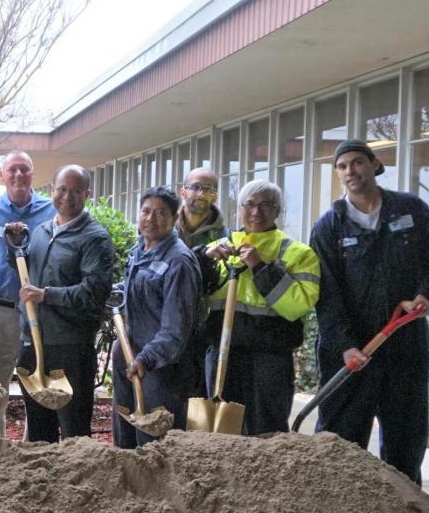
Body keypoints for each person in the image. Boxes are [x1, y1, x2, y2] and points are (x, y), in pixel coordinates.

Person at [309, 139, 429, 484]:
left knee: (405, 436)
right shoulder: (330, 226)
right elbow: (326, 295)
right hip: (351, 353)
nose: (351, 171)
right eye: (343, 166)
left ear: (375, 164)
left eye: (357, 162)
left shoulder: (412, 211)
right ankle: (340, 511)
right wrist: (345, 345)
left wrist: (426, 296)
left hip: (404, 344)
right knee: (340, 440)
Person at [198, 180, 319, 435]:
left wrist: (261, 267)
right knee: (221, 430)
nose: (256, 212)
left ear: (278, 211)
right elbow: (191, 290)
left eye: (266, 205)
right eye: (250, 205)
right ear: (239, 209)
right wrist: (204, 259)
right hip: (223, 352)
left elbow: (298, 306)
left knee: (267, 428)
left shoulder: (298, 253)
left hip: (270, 356)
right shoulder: (219, 247)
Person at [4, 165, 114, 442]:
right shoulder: (40, 232)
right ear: (51, 190)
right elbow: (27, 274)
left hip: (70, 348)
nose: (67, 196)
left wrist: (46, 294)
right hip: (33, 343)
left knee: (75, 431)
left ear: (87, 194)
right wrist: (14, 247)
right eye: (62, 189)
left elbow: (93, 294)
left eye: (76, 191)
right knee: (39, 432)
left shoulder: (95, 239)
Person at [111, 187, 201, 449]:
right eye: (146, 211)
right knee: (125, 435)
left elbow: (175, 329)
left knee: (153, 443)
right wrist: (117, 291)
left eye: (161, 213)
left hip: (162, 368)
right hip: (130, 355)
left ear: (175, 218)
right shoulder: (141, 249)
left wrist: (146, 358)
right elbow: (143, 289)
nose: (151, 218)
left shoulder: (179, 261)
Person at [0, 150, 55, 436]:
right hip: (1, 310)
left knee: (34, 379)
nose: (19, 175)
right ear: (2, 175)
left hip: (38, 311)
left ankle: (31, 443)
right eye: (12, 170)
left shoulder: (49, 211)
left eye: (25, 169)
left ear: (33, 175)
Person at [176, 167, 229, 398]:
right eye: (195, 187)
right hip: (166, 322)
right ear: (183, 191)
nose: (200, 194)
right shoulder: (164, 227)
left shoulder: (225, 236)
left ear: (215, 195)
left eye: (207, 189)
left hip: (204, 327)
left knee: (199, 392)